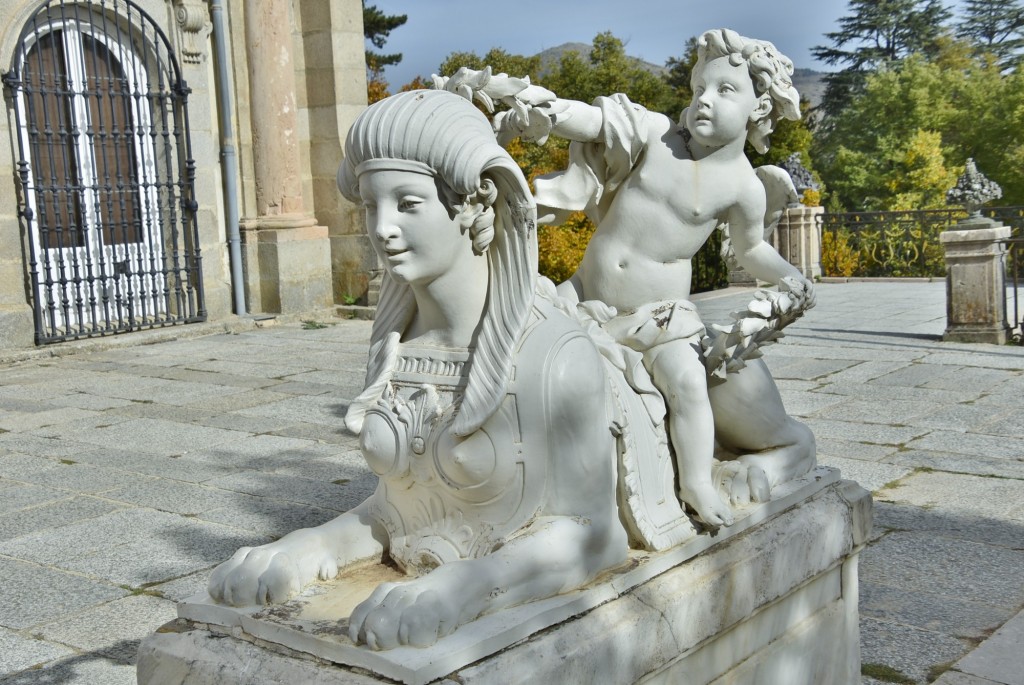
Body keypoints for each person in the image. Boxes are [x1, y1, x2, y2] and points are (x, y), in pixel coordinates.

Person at [206, 89, 627, 650]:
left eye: (407, 204)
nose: (381, 228)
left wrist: (470, 586)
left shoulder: (554, 357)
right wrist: (309, 546)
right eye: (370, 206)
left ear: (475, 207)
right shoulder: (399, 347)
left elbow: (597, 536)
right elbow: (397, 509)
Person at [485, 28, 816, 526]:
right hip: (582, 295)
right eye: (700, 86)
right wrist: (546, 110)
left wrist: (794, 279)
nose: (705, 100)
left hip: (659, 317)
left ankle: (697, 482)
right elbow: (596, 122)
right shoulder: (657, 135)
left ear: (759, 106)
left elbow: (752, 248)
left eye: (726, 91)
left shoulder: (744, 187)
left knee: (687, 383)